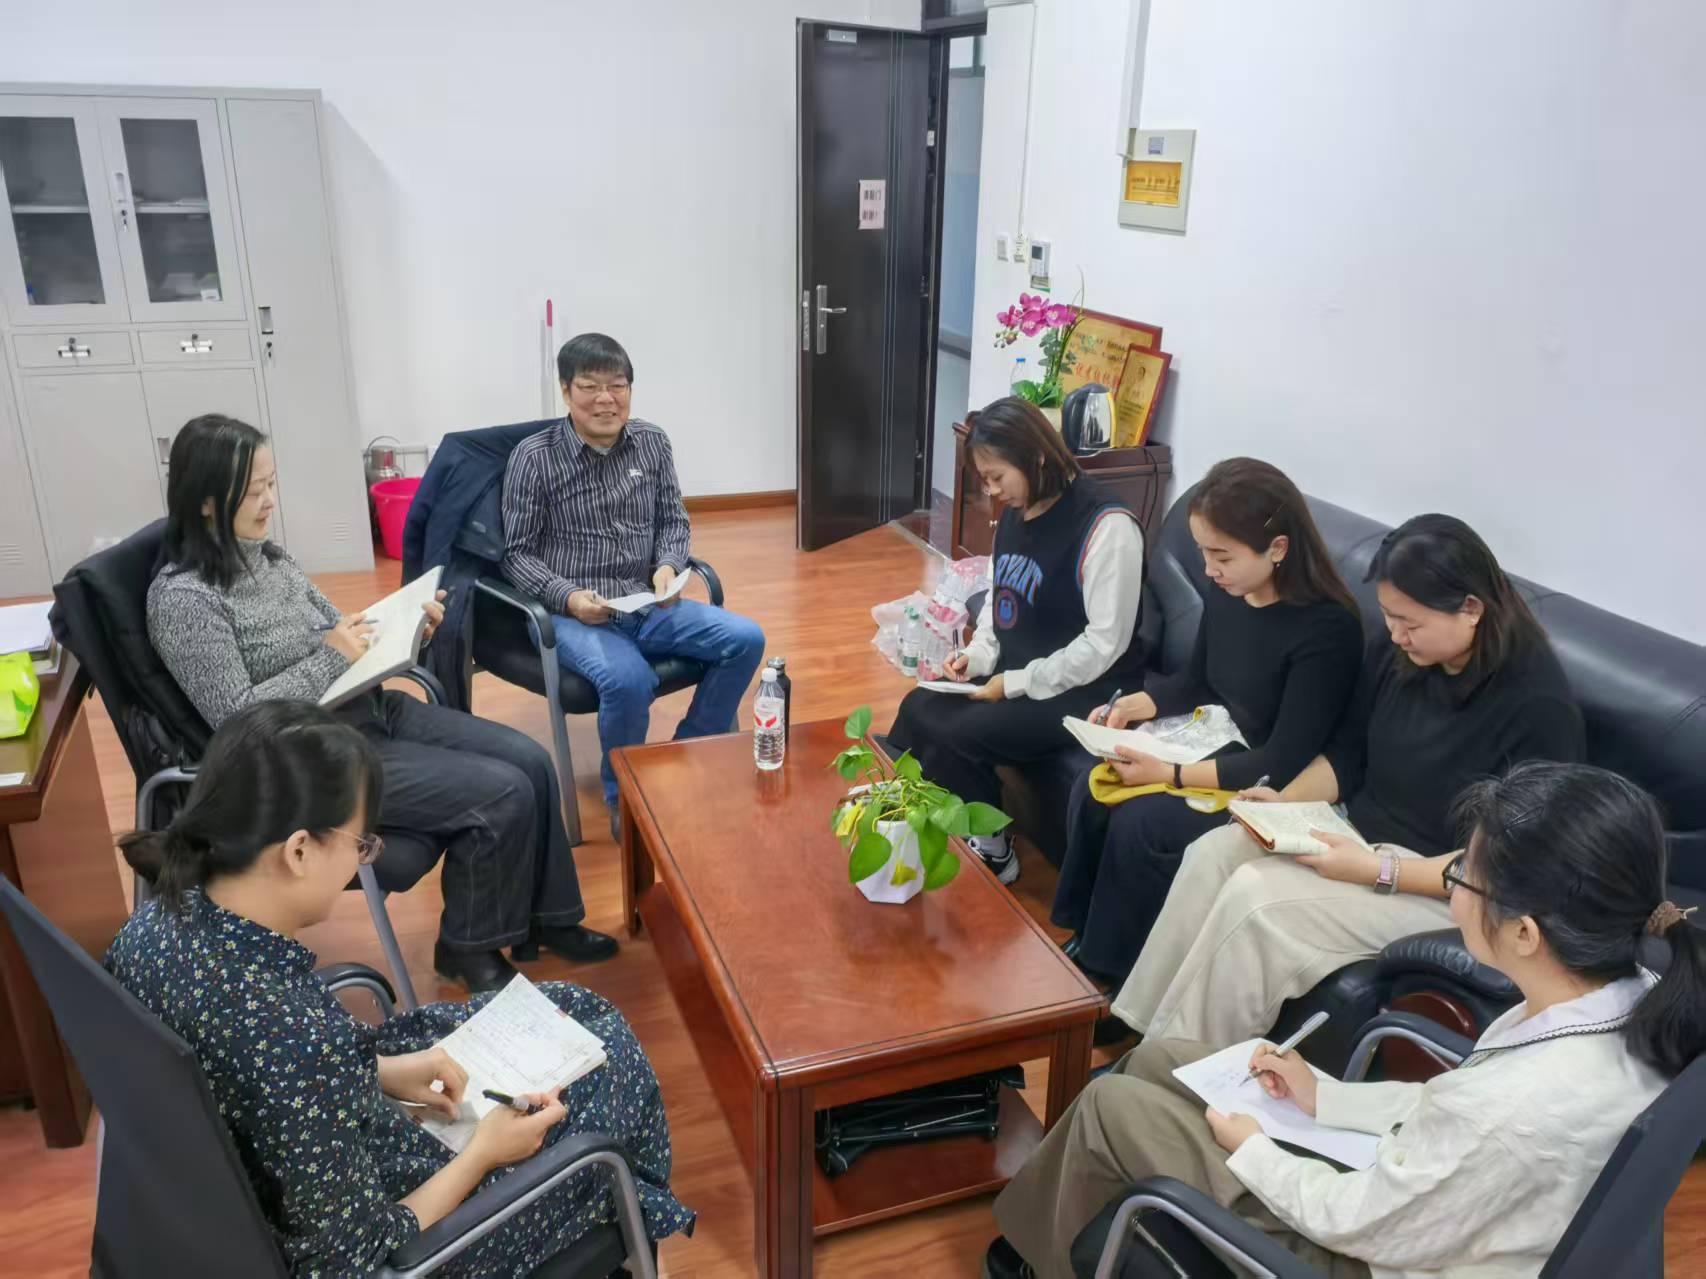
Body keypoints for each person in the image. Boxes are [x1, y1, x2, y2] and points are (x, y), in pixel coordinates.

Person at [985, 761, 1705, 1279]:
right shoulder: (1627, 995)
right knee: (1160, 1058)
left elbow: (1358, 1219)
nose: (1451, 891)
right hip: (1425, 1198)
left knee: (1110, 1106)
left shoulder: (1515, 1107)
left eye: (1462, 876)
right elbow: (1451, 1114)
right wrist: (1325, 1097)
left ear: (1525, 933)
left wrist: (1254, 1149)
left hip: (1365, 1251)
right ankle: (1064, 1224)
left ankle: (1038, 1253)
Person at [108, 702, 693, 1277]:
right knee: (614, 1072)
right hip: (402, 1228)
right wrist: (484, 1154)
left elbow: (256, 1077)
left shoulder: (155, 922)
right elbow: (356, 1264)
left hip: (302, 1153)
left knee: (574, 1008)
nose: (361, 859)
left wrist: (378, 1071)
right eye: (360, 843)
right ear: (299, 850)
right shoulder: (298, 1043)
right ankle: (624, 1234)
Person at [147, 415, 616, 994]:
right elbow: (237, 717)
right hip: (306, 758)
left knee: (531, 760)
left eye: (271, 483)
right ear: (205, 502)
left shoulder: (269, 558)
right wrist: (332, 655)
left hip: (365, 708)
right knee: (502, 792)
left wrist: (405, 627)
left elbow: (341, 628)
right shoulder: (184, 599)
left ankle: (550, 920)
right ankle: (466, 949)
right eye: (253, 491)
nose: (270, 501)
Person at [1112, 514, 1585, 1045]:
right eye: (1389, 616)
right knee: (1214, 854)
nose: (1396, 634)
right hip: (1355, 835)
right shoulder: (1399, 653)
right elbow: (1346, 754)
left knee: (1257, 898)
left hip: (1444, 888)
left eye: (1410, 622)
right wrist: (1284, 804)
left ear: (1471, 609)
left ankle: (1180, 1066)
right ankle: (1141, 1033)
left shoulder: (1537, 707)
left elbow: (1505, 866)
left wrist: (1376, 869)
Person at [1051, 458, 1364, 981]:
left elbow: (1282, 759)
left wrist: (1168, 774)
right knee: (1095, 785)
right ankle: (1084, 935)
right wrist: (1136, 706)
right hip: (1216, 741)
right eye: (1202, 552)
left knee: (1143, 821)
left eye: (1221, 556)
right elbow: (1197, 680)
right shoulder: (1230, 590)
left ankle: (1113, 973)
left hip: (1268, 778)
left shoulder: (1328, 630)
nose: (1209, 569)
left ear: (1278, 549)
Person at [502, 332, 767, 842]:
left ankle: (688, 755)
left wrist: (668, 567)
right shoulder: (533, 458)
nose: (606, 399)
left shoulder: (652, 441)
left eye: (617, 386)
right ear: (565, 391)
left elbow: (673, 520)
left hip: (646, 602)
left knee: (745, 639)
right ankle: (624, 797)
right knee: (627, 680)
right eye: (590, 387)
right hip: (571, 612)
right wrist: (568, 597)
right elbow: (516, 553)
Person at [886, 397, 1148, 885]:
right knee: (920, 704)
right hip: (1020, 670)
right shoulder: (1016, 511)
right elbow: (999, 599)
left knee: (961, 732)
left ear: (1037, 457)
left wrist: (1014, 683)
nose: (991, 490)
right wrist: (976, 654)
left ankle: (995, 849)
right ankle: (921, 816)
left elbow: (1104, 644)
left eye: (996, 476)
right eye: (984, 478)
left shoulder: (1107, 527)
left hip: (1084, 690)